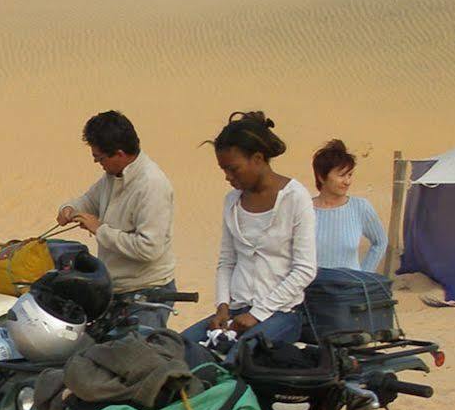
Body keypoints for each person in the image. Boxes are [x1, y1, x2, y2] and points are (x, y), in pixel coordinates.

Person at [181, 110, 316, 365]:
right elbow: (227, 262)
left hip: (281, 314)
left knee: (234, 362)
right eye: (223, 170)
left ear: (257, 159)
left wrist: (258, 314)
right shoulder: (232, 202)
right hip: (236, 310)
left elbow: (305, 270)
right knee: (178, 349)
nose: (228, 177)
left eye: (233, 169)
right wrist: (222, 306)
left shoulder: (296, 198)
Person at [56, 110, 177, 298]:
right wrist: (68, 209)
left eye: (100, 158)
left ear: (119, 154)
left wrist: (100, 229)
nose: (97, 163)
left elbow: (149, 249)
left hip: (147, 291)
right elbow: (88, 201)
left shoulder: (152, 185)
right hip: (113, 287)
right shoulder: (113, 176)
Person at [310, 139, 388, 274]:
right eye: (341, 175)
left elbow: (380, 242)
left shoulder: (360, 207)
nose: (347, 181)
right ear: (322, 177)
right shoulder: (304, 209)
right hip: (312, 290)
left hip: (349, 291)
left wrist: (363, 276)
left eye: (350, 175)